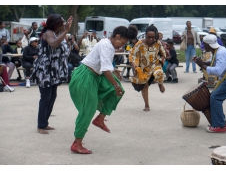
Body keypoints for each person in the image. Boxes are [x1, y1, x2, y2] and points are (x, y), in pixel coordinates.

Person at [69, 25, 138, 154]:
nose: (121, 46)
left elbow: (102, 64)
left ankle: (100, 118)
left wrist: (114, 72)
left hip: (96, 75)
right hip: (86, 76)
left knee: (118, 91)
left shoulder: (108, 44)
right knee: (88, 109)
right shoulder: (106, 45)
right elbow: (105, 69)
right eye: (122, 43)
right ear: (117, 36)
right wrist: (115, 84)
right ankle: (76, 143)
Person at [30, 14, 73, 134]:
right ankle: (40, 126)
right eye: (62, 23)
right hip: (45, 70)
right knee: (45, 98)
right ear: (56, 24)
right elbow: (53, 44)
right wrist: (65, 31)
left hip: (53, 71)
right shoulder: (48, 33)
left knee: (52, 97)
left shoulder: (57, 34)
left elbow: (64, 49)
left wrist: (65, 32)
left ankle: (45, 123)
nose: (64, 24)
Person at [193, 34, 226, 133]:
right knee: (215, 97)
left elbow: (218, 70)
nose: (203, 45)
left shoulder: (221, 53)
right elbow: (212, 62)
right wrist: (200, 62)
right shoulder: (217, 51)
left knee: (215, 97)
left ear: (208, 45)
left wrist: (202, 65)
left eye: (204, 44)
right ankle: (221, 122)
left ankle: (220, 125)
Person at [129, 25, 166, 112]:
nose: (150, 39)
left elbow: (163, 54)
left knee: (159, 73)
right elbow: (132, 55)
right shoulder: (139, 44)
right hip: (143, 69)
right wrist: (134, 66)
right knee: (144, 86)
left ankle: (160, 84)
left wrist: (161, 61)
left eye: (153, 37)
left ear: (155, 36)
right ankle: (147, 105)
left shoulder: (158, 43)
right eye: (148, 37)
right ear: (145, 35)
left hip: (155, 66)